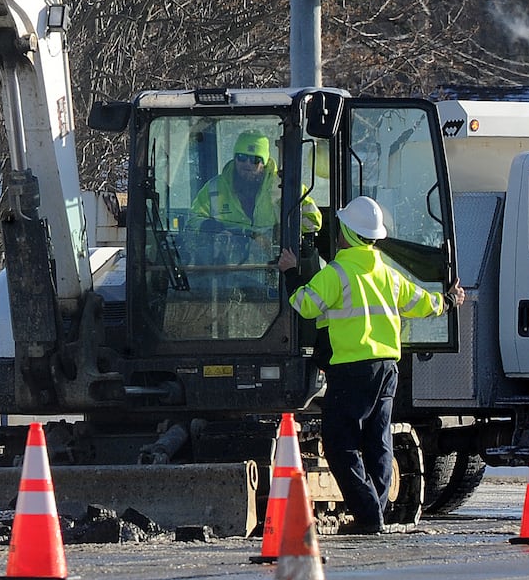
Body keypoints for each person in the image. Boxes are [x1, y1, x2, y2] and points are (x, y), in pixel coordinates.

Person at [278, 195, 464, 534]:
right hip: (386, 368)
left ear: (347, 233)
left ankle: (368, 514)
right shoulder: (387, 273)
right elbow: (422, 303)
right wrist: (449, 300)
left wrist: (291, 272)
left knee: (339, 444)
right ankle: (372, 513)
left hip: (352, 369)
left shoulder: (337, 273)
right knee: (378, 442)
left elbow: (305, 304)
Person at [190, 131, 322, 252]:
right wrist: (214, 228)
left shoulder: (285, 186)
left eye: (255, 160)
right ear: (235, 158)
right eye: (241, 157)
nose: (247, 164)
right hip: (225, 267)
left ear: (264, 163)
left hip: (274, 266)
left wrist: (282, 230)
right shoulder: (214, 188)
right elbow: (192, 221)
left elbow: (313, 221)